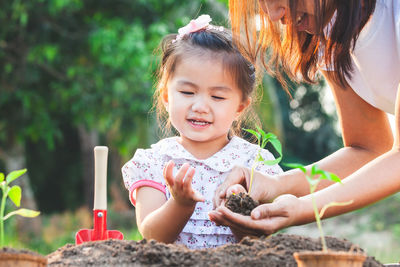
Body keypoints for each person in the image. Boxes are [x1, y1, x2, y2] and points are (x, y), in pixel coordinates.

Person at [209, 0, 400, 239]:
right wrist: (276, 184)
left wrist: (301, 208)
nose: (274, 14)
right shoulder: (332, 33)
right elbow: (368, 148)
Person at [121, 14, 282, 249]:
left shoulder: (255, 164)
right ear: (167, 97)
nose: (200, 107)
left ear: (239, 107)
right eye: (187, 92)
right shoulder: (153, 162)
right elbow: (152, 235)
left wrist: (238, 206)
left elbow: (259, 241)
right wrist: (181, 204)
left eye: (217, 97)